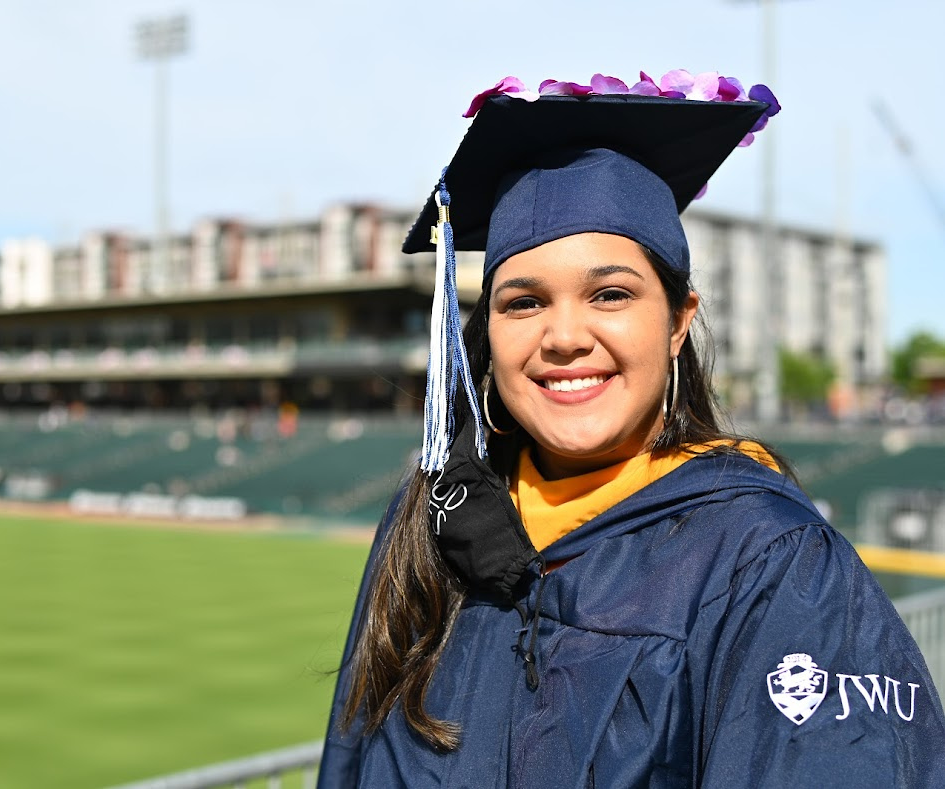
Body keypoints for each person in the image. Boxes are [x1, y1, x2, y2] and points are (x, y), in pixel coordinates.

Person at [317, 71, 945, 788]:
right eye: (522, 302)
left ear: (679, 320)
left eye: (609, 294)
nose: (563, 336)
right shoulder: (432, 526)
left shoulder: (767, 563)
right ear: (486, 330)